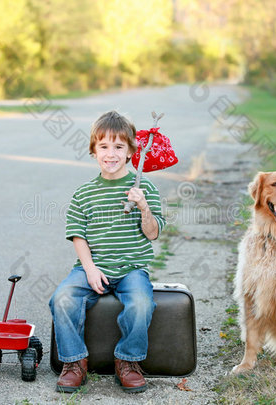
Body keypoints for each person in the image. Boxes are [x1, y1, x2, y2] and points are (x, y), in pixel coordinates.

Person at [49, 110, 166, 393]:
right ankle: (74, 362)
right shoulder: (84, 193)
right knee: (62, 298)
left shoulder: (144, 187)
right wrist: (89, 268)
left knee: (141, 303)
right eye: (103, 146)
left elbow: (153, 233)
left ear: (130, 152)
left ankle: (127, 361)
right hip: (93, 266)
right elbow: (78, 235)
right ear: (93, 151)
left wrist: (143, 207)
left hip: (131, 268)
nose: (110, 154)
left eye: (118, 147)